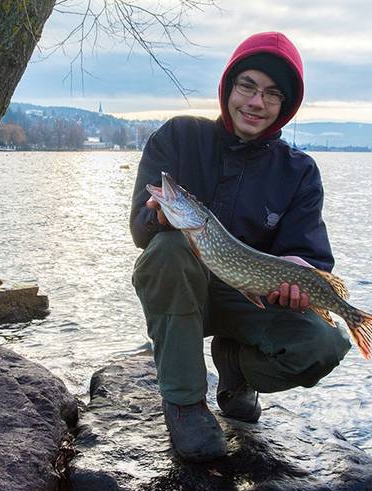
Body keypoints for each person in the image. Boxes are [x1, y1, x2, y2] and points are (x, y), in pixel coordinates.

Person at [129, 31, 352, 462]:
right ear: (228, 88)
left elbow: (312, 256)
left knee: (324, 345)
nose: (256, 102)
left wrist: (297, 267)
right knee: (167, 250)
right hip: (181, 293)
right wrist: (156, 215)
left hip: (252, 299)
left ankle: (235, 368)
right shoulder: (178, 138)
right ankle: (185, 403)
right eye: (247, 85)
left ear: (284, 107)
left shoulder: (299, 171)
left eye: (271, 94)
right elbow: (140, 231)